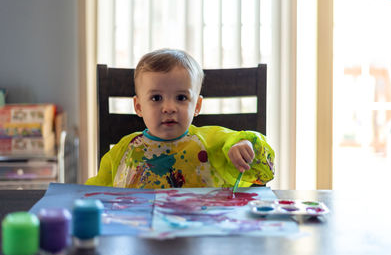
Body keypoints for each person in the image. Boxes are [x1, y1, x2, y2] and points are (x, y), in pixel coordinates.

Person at [86, 49, 275, 189]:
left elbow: (261, 171)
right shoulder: (123, 151)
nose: (169, 108)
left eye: (181, 98)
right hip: (139, 237)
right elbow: (94, 193)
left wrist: (245, 147)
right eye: (156, 98)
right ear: (138, 107)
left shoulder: (212, 144)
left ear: (197, 106)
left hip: (199, 235)